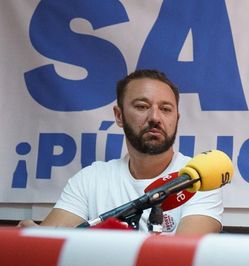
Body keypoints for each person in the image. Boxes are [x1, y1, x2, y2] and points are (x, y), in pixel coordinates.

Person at [17, 69, 222, 234]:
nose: (155, 117)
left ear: (176, 118)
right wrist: (33, 239)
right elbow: (49, 244)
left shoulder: (198, 180)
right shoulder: (91, 179)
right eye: (142, 106)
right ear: (119, 115)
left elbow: (182, 258)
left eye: (166, 109)